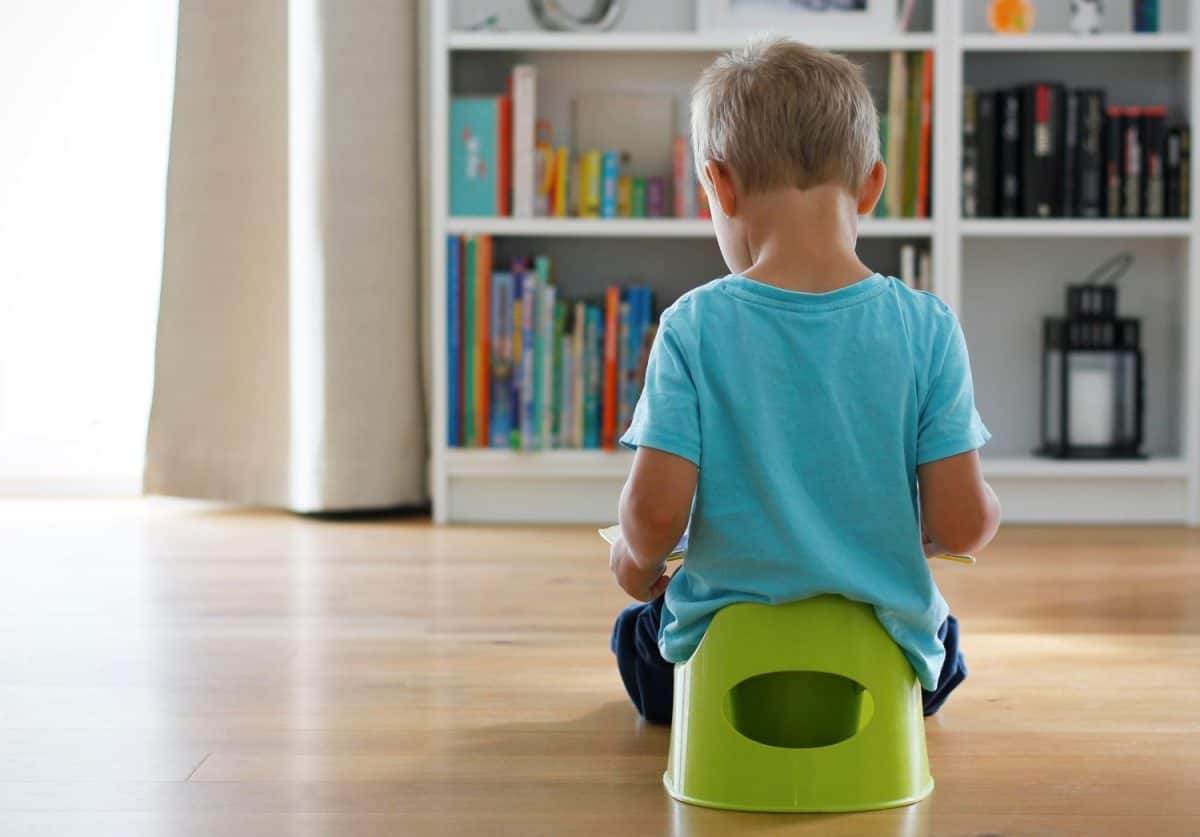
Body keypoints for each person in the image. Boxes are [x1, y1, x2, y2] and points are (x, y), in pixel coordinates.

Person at [608, 38, 1000, 725]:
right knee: (945, 641)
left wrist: (632, 563)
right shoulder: (927, 326)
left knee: (632, 635)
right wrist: (963, 515)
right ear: (872, 183)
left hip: (724, 660)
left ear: (720, 185)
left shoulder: (692, 326)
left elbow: (653, 516)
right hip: (881, 656)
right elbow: (961, 525)